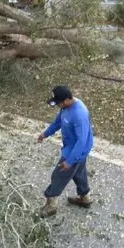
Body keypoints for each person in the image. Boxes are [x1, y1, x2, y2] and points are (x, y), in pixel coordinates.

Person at [36, 85, 94, 217]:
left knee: (58, 176)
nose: (58, 105)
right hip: (73, 148)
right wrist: (45, 134)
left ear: (67, 100)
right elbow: (58, 122)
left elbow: (82, 141)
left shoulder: (79, 114)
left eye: (58, 103)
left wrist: (69, 161)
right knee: (78, 172)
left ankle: (51, 205)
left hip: (76, 151)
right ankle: (85, 197)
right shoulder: (65, 107)